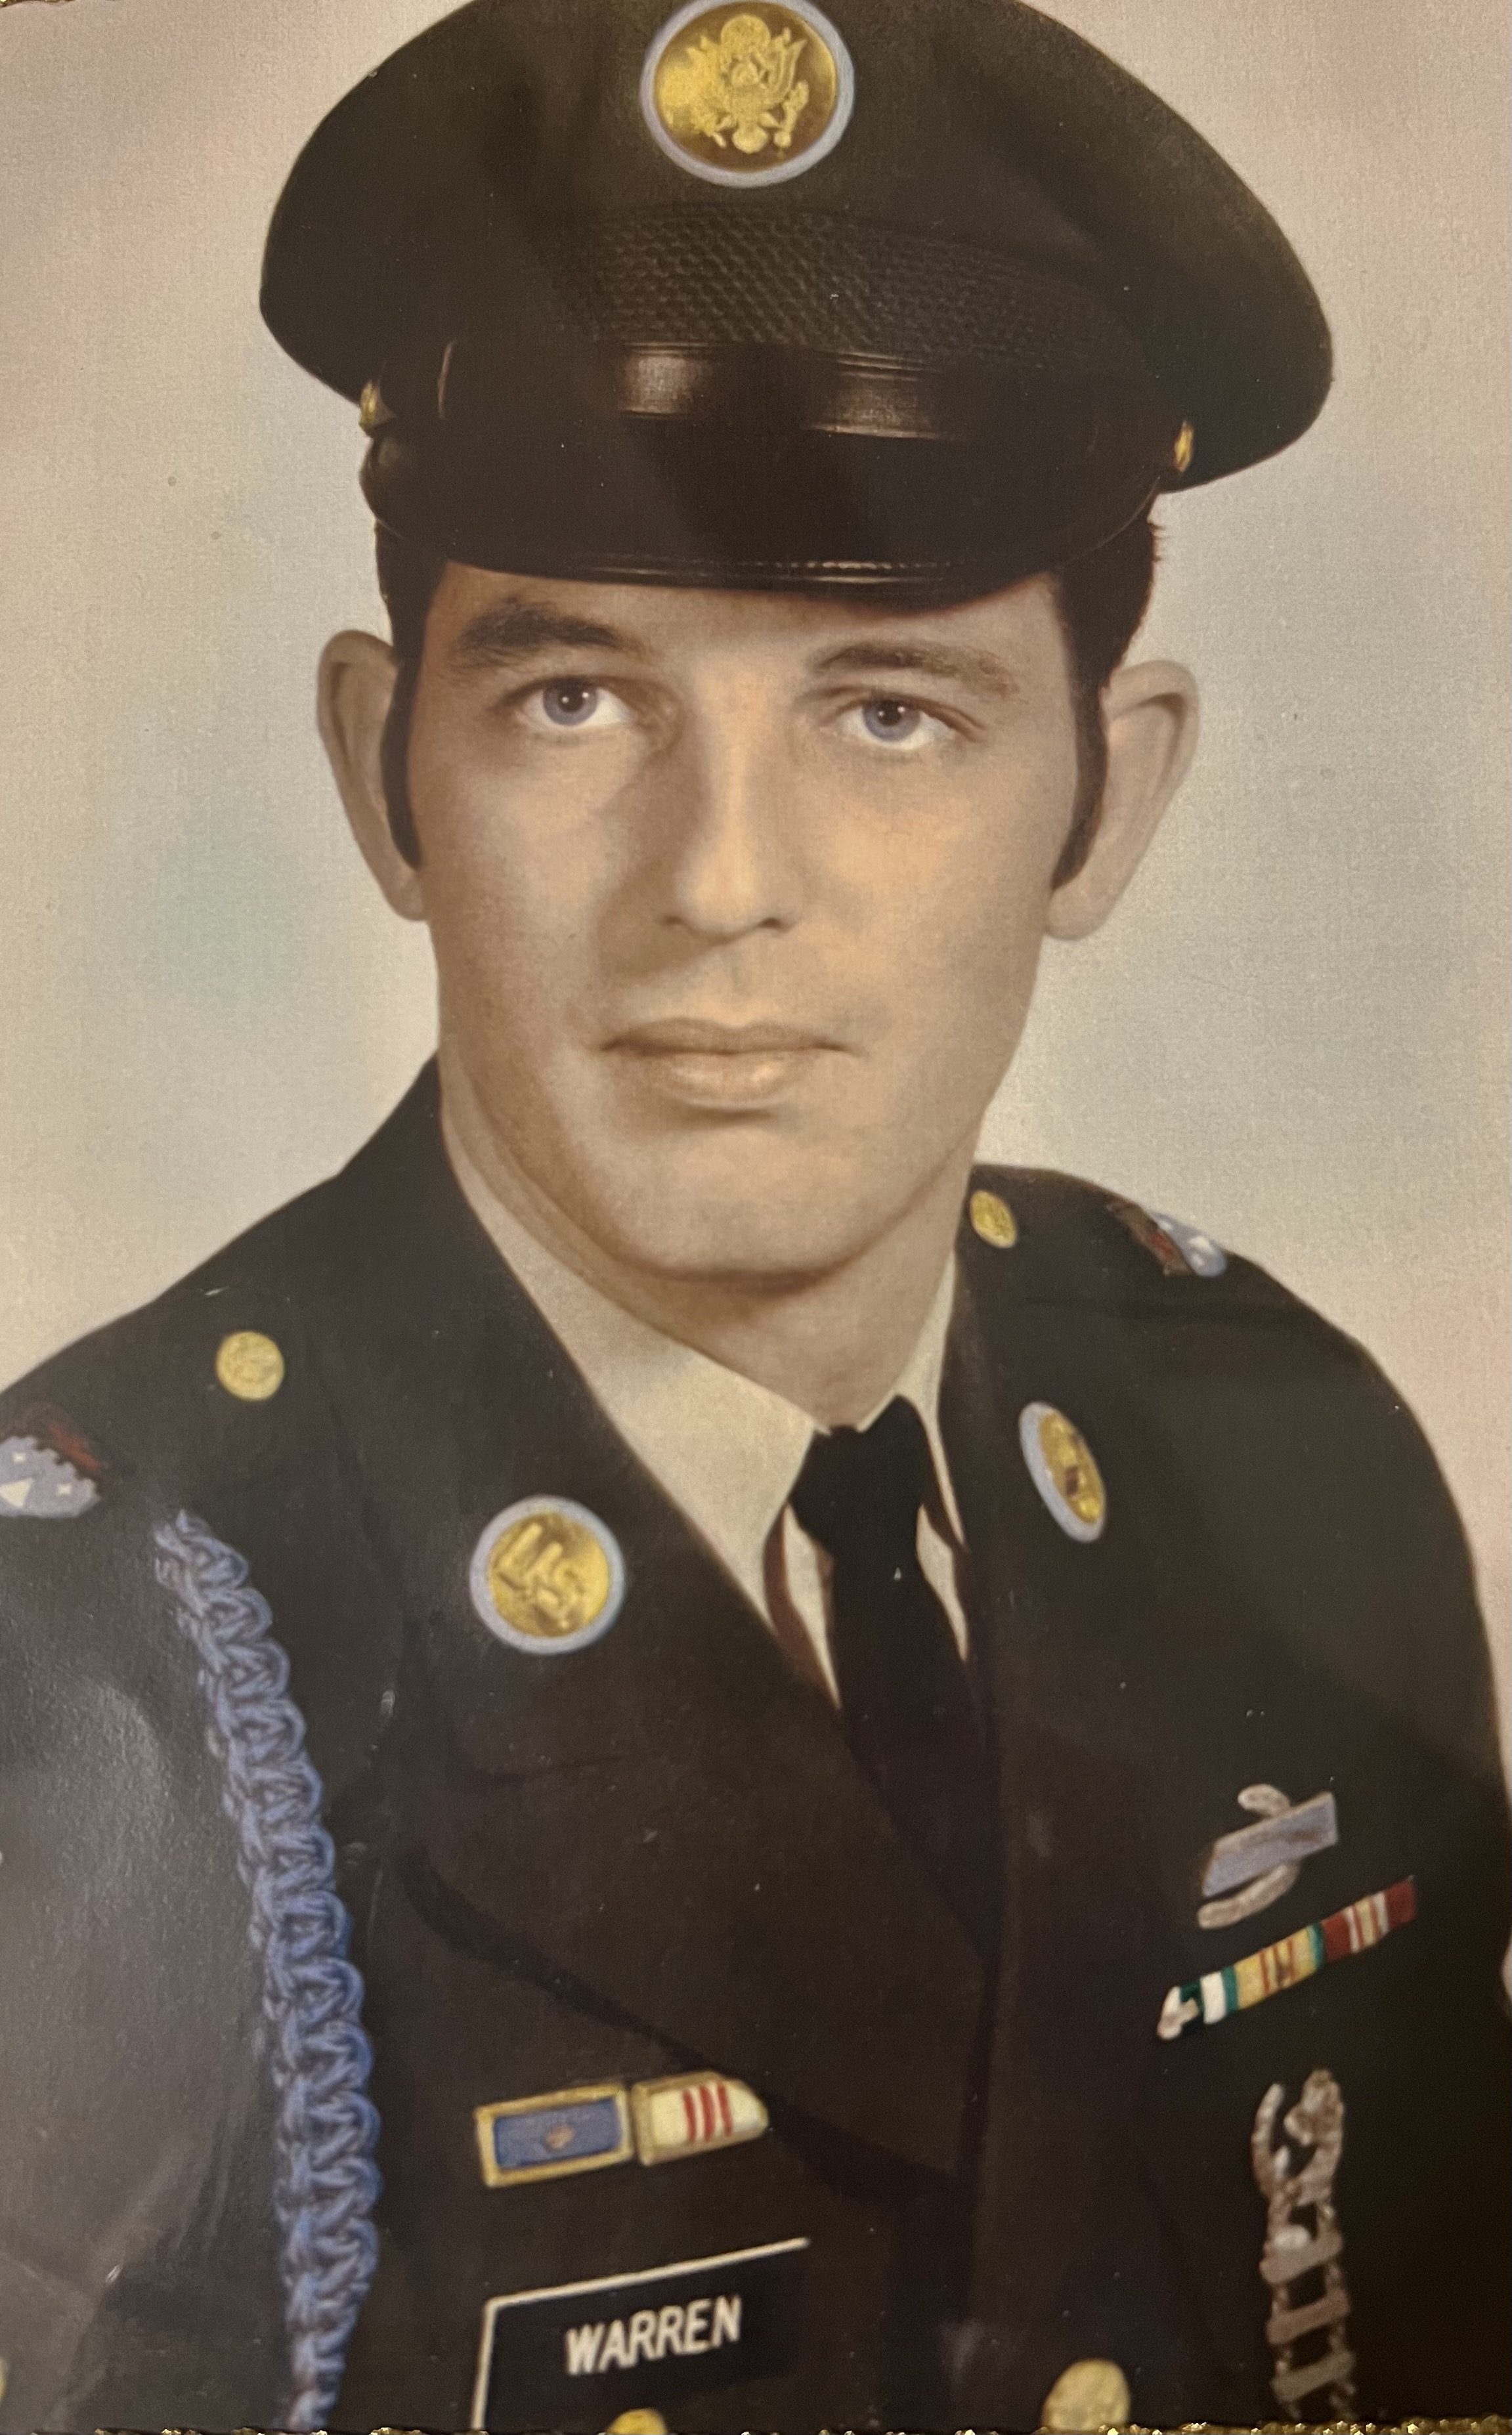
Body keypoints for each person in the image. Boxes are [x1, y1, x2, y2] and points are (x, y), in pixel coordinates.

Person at [0, 0, 1507, 2427]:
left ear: (1104, 801)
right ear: (384, 779)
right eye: (574, 701)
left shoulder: (1290, 1468)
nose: (717, 884)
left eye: (888, 712)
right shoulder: (86, 1682)